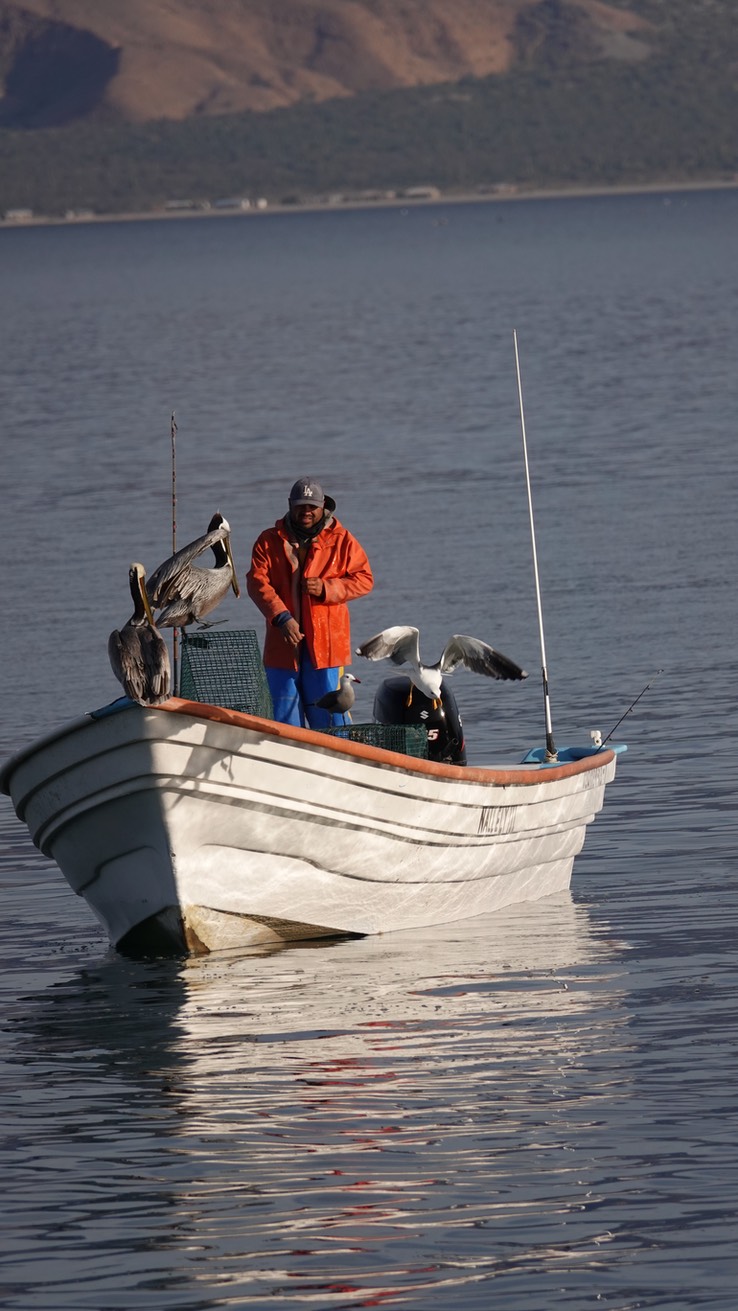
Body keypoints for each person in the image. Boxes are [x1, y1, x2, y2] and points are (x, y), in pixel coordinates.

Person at [247, 477, 374, 728]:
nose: (306, 511)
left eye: (311, 506)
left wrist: (327, 588)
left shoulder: (342, 539)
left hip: (327, 649)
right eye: (300, 505)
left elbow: (364, 579)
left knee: (330, 721)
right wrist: (281, 617)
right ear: (290, 504)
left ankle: (337, 764)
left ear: (323, 505)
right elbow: (256, 583)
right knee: (284, 721)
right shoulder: (268, 540)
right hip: (282, 647)